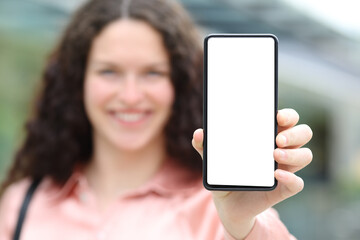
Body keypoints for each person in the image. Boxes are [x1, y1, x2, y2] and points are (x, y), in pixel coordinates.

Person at [0, 0, 313, 239]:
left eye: (153, 72)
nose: (131, 95)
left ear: (178, 83)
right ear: (78, 80)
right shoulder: (23, 204)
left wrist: (245, 227)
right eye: (109, 71)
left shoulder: (222, 209)